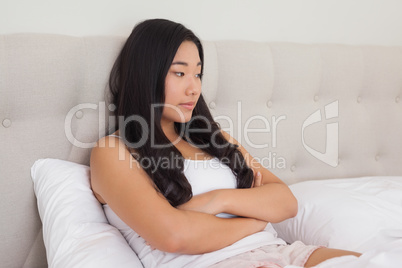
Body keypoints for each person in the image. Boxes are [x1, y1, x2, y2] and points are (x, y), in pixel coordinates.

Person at [90, 18, 360, 268]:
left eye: (198, 74)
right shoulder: (114, 152)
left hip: (277, 250)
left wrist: (217, 201)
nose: (194, 88)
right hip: (214, 262)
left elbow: (286, 202)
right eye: (180, 74)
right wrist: (254, 219)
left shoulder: (210, 138)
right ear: (146, 75)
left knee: (374, 261)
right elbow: (174, 235)